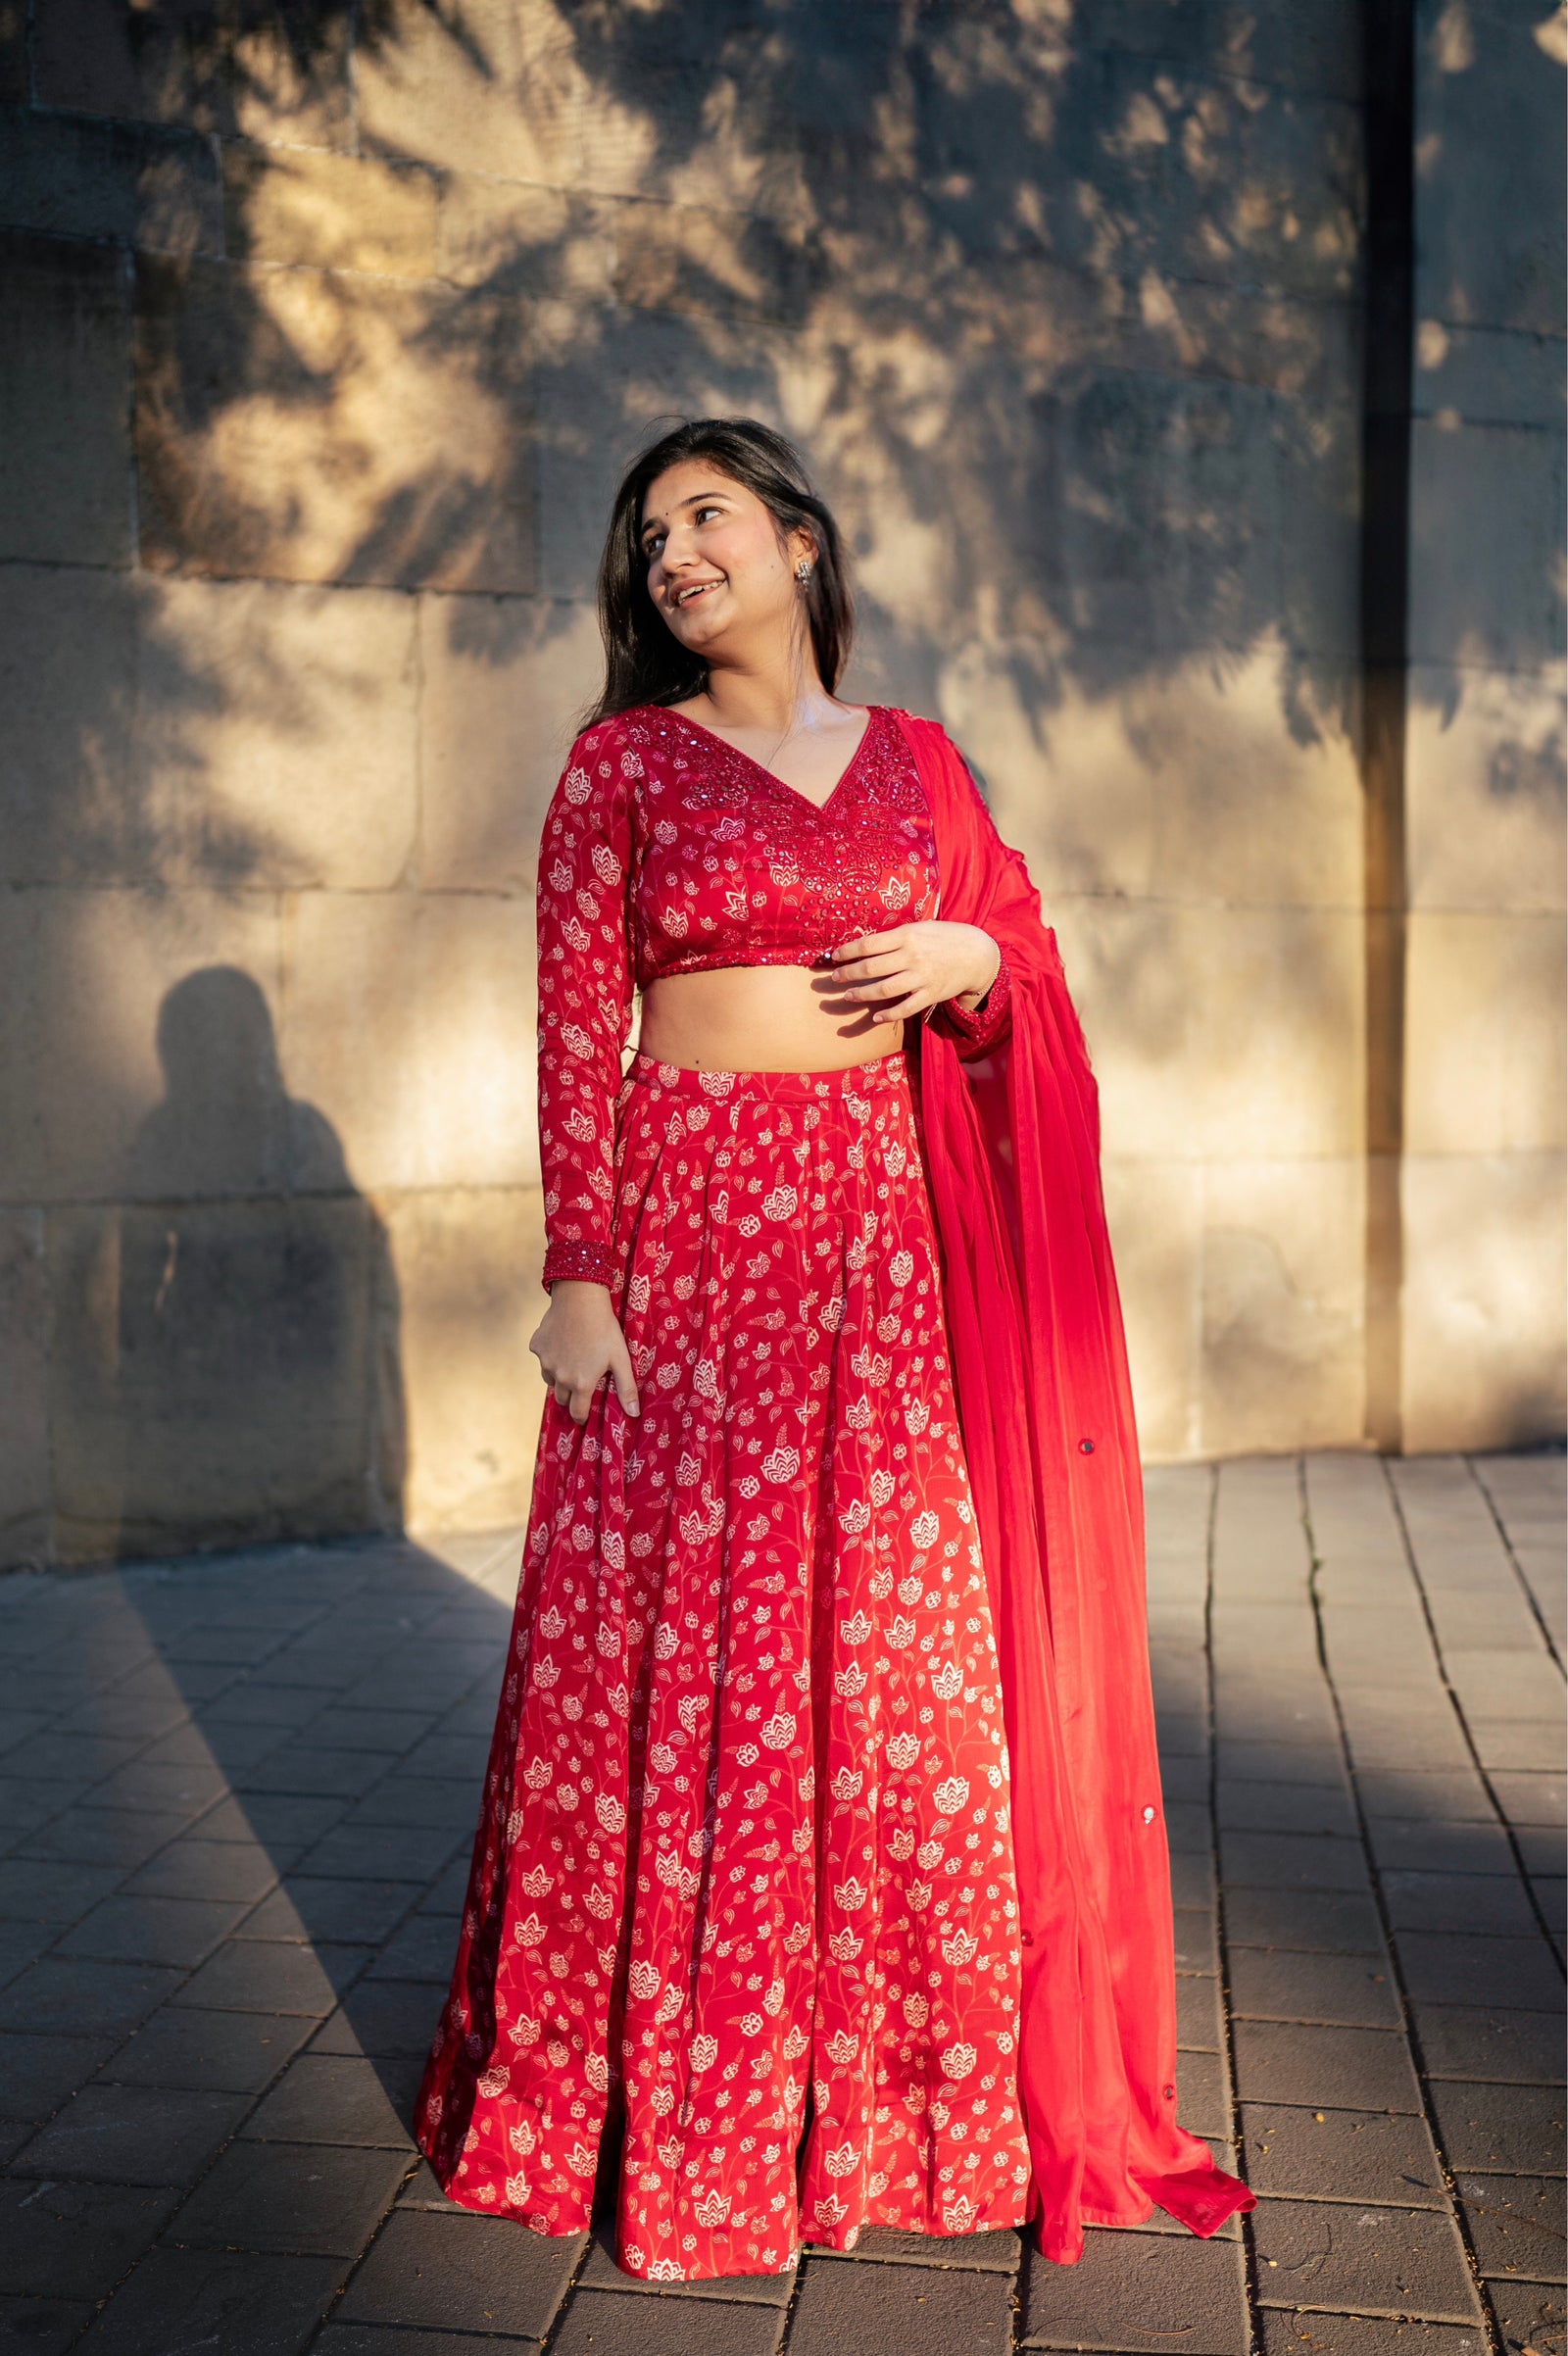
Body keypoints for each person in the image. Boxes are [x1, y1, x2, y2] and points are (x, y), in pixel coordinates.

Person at [414, 417, 1254, 2282]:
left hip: (882, 1246)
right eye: (647, 540)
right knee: (681, 1657)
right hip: (692, 1232)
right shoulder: (620, 767)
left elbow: (1019, 955)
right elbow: (575, 1025)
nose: (671, 555)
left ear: (799, 542)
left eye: (705, 517)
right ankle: (653, 2101)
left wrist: (973, 958)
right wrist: (581, 1270)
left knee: (892, 1661)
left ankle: (896, 2107)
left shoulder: (921, 765)